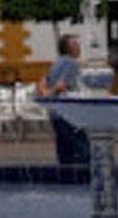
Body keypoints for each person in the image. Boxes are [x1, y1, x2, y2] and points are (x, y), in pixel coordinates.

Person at [35, 33, 91, 165]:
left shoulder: (56, 63)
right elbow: (62, 85)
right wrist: (51, 93)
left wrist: (47, 95)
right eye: (75, 44)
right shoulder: (72, 63)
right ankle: (85, 179)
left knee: (64, 152)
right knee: (84, 151)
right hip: (69, 113)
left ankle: (65, 180)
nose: (79, 47)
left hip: (55, 112)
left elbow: (43, 82)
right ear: (69, 48)